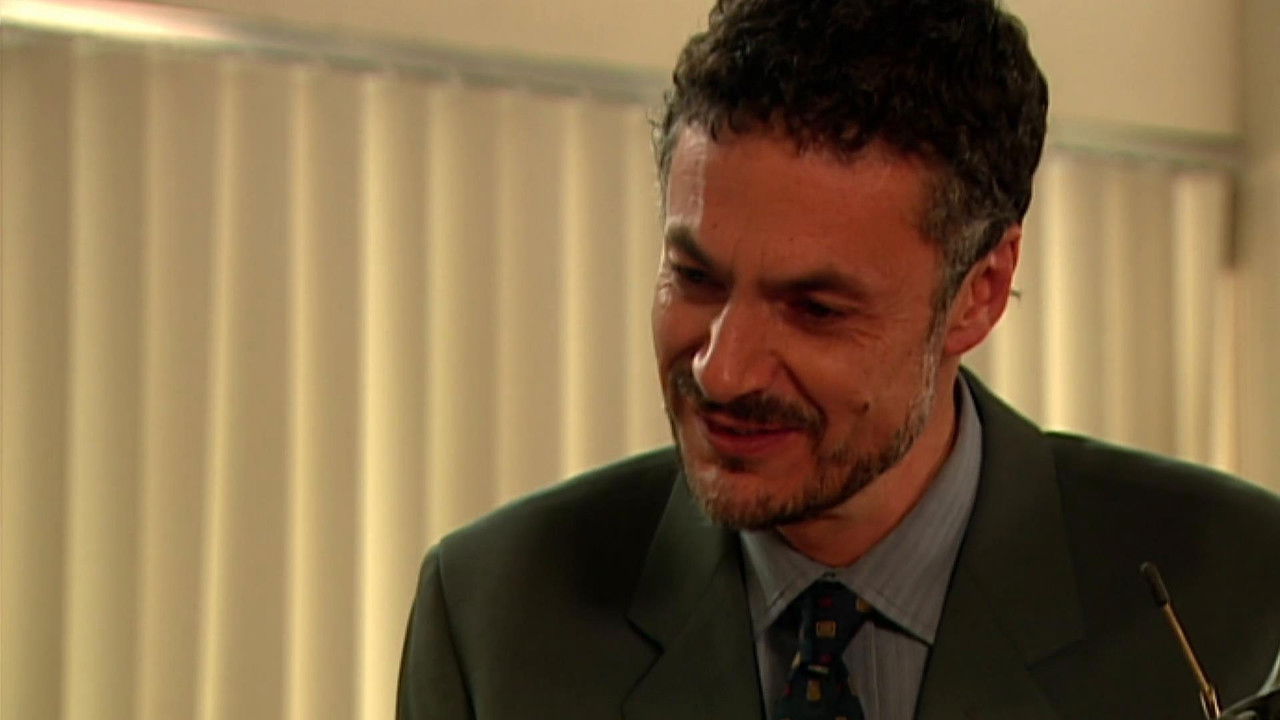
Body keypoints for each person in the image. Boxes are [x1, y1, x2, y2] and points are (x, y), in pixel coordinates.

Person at [397, 0, 1280, 717]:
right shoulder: (493, 621)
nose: (722, 371)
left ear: (979, 291)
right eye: (696, 278)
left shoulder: (1243, 592)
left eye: (815, 310)